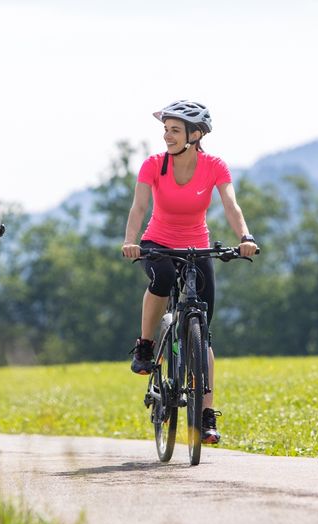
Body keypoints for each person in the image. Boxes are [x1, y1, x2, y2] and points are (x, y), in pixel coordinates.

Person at [121, 100, 257, 445]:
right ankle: (146, 345)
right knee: (163, 279)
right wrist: (130, 241)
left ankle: (206, 416)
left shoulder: (214, 166)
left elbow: (230, 203)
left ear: (195, 135)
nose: (167, 135)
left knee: (204, 330)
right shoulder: (153, 165)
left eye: (174, 130)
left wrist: (245, 237)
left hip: (198, 246)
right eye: (165, 129)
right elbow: (139, 207)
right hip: (158, 243)